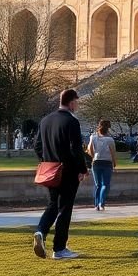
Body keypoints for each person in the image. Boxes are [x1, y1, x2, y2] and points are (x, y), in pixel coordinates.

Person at [33, 88, 88, 260]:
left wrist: (46, 159)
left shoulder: (45, 120)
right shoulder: (71, 121)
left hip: (50, 169)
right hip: (68, 170)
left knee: (52, 205)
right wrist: (82, 169)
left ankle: (40, 231)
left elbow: (37, 146)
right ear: (71, 102)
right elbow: (76, 149)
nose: (77, 105)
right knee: (65, 208)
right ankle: (59, 248)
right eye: (76, 102)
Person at [86, 119, 118, 211]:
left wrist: (93, 157)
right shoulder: (110, 139)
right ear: (108, 128)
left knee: (98, 184)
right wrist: (114, 164)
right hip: (107, 162)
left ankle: (96, 204)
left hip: (96, 162)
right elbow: (113, 153)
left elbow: (90, 149)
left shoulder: (93, 137)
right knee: (105, 184)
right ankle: (101, 203)